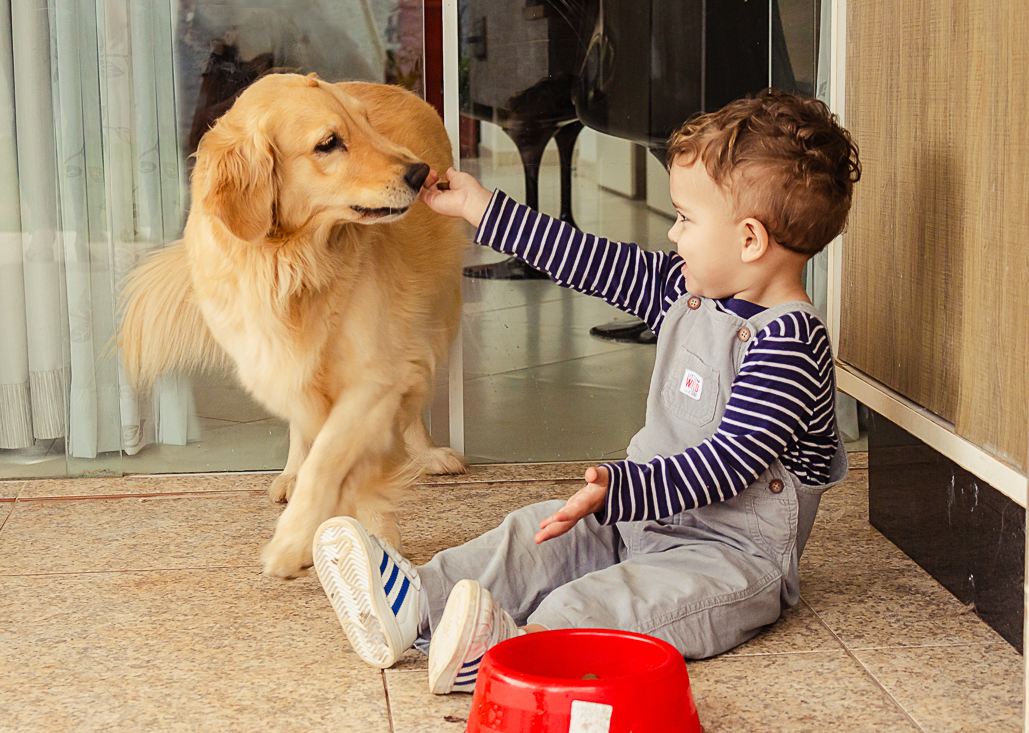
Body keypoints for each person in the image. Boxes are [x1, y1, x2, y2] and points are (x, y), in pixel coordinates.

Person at [311, 88, 861, 695]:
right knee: (534, 535)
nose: (673, 234)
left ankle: (510, 654)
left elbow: (729, 462)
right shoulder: (691, 289)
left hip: (724, 562)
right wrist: (481, 207)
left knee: (607, 602)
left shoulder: (789, 343)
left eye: (685, 218)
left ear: (750, 240)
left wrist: (622, 489)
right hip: (638, 520)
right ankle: (416, 602)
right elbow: (590, 261)